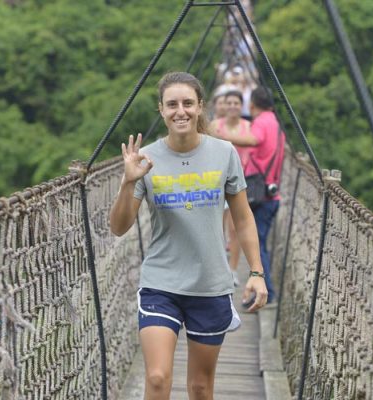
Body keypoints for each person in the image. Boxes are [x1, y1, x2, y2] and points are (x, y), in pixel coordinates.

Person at [109, 72, 268, 400]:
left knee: (199, 387)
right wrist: (128, 181)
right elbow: (119, 227)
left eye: (187, 103)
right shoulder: (146, 159)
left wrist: (256, 272)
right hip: (160, 282)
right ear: (161, 110)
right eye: (171, 105)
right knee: (155, 377)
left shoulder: (224, 153)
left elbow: (242, 216)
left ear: (200, 107)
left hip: (209, 285)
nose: (179, 111)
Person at [212, 86, 284, 306]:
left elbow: (251, 141)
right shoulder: (275, 121)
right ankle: (259, 288)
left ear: (251, 105)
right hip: (270, 189)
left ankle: (266, 293)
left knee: (256, 243)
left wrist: (218, 134)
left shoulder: (261, 122)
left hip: (261, 193)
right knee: (247, 235)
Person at [208, 90, 253, 287]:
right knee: (214, 227)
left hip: (239, 183)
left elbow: (255, 144)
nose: (233, 106)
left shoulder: (248, 126)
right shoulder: (213, 126)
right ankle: (216, 269)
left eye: (236, 103)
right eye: (229, 103)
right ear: (223, 106)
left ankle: (233, 270)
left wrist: (225, 138)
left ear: (241, 106)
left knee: (235, 229)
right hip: (215, 182)